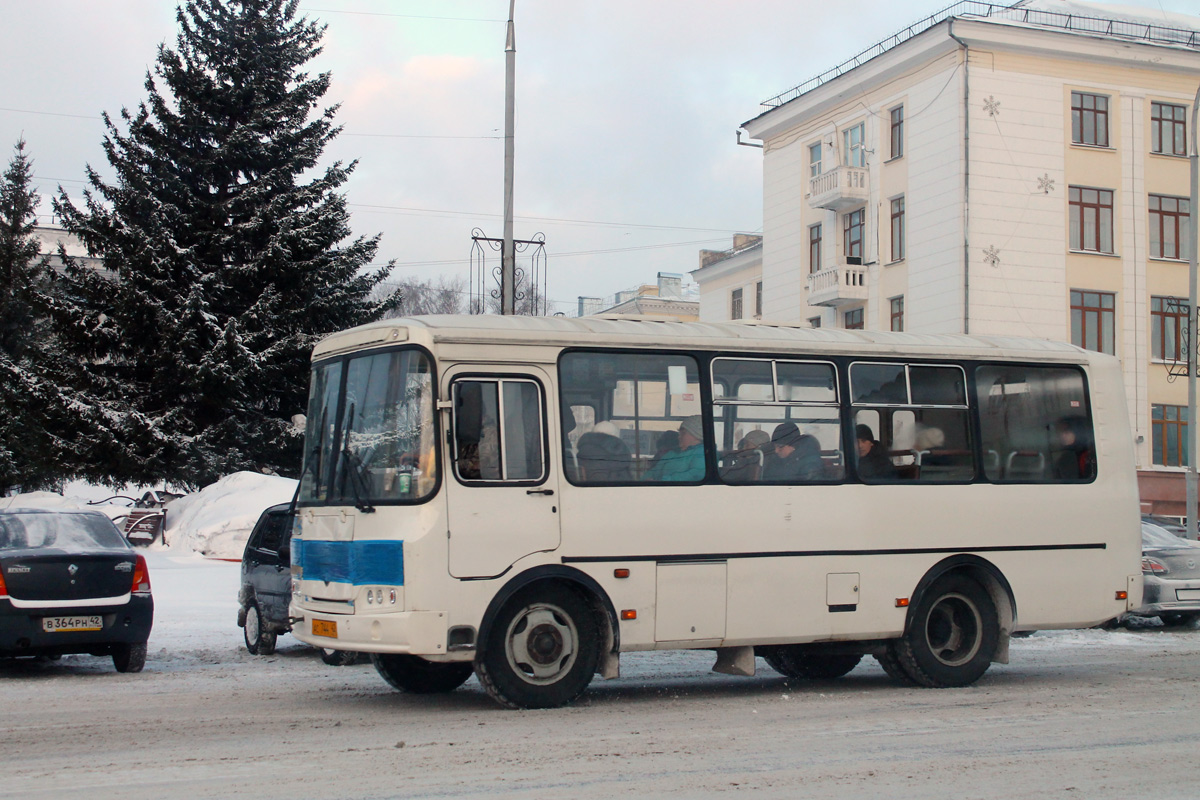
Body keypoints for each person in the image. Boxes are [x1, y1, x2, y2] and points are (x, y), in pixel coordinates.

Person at [644, 415, 706, 482]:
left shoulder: (703, 454)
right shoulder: (672, 453)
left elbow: (694, 475)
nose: (679, 437)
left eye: (683, 433)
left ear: (696, 435)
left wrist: (662, 482)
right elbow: (654, 471)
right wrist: (644, 481)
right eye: (679, 433)